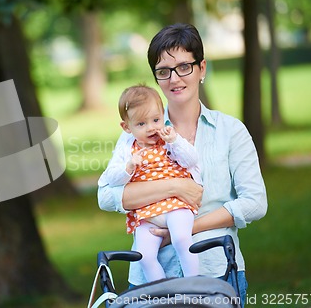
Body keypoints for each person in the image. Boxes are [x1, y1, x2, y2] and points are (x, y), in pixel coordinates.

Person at [97, 23, 267, 305]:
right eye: (163, 71)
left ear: (202, 69)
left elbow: (255, 202)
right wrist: (175, 186)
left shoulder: (230, 131)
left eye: (184, 67)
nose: (174, 79)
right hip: (147, 282)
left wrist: (188, 228)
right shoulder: (136, 133)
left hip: (216, 272)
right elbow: (106, 195)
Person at [105, 84, 202, 282]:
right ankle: (161, 291)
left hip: (176, 204)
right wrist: (128, 167)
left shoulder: (169, 138)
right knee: (144, 256)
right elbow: (111, 179)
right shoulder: (126, 150)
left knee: (182, 239)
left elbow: (191, 160)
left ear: (162, 114)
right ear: (127, 127)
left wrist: (175, 141)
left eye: (155, 120)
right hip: (147, 212)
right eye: (141, 124)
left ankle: (194, 283)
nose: (151, 128)